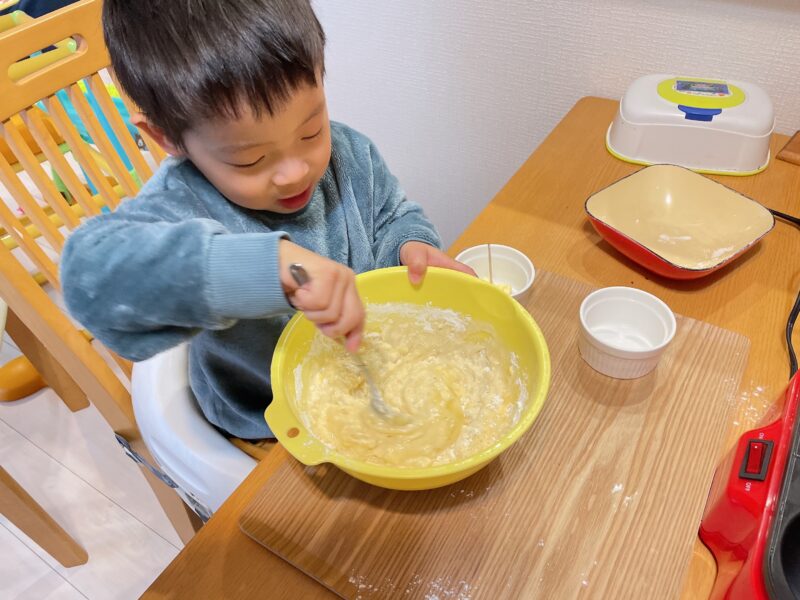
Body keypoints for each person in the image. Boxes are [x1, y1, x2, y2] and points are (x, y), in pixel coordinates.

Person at [61, 0, 474, 440]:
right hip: (263, 416)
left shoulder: (351, 155)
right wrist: (269, 268)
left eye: (311, 131)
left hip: (374, 372)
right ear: (167, 138)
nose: (296, 170)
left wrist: (411, 245)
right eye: (250, 159)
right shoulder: (181, 204)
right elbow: (90, 282)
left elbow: (392, 214)